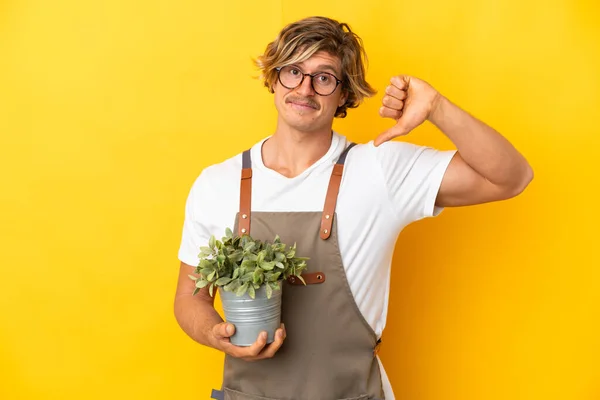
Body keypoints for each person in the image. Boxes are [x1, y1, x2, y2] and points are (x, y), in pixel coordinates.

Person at [174, 16, 533, 400]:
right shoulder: (217, 183)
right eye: (293, 71)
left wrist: (437, 107)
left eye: (324, 77)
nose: (305, 88)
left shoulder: (380, 169)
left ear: (345, 94)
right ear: (274, 78)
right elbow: (189, 298)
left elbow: (511, 177)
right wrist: (215, 333)